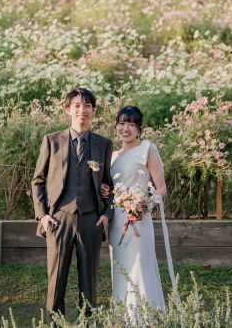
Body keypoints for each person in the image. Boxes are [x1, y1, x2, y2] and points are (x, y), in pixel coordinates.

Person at [31, 87, 115, 327]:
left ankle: (86, 324)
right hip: (59, 219)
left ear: (93, 110)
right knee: (56, 281)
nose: (82, 110)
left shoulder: (103, 144)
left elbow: (109, 183)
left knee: (89, 284)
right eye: (77, 106)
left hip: (91, 220)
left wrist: (107, 214)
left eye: (87, 106)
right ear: (68, 109)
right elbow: (37, 180)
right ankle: (54, 325)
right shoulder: (52, 141)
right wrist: (43, 215)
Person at [101, 105, 176, 315]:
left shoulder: (147, 149)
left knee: (139, 270)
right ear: (116, 126)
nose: (126, 128)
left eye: (131, 124)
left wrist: (143, 208)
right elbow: (111, 188)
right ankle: (123, 317)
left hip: (138, 223)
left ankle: (145, 317)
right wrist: (104, 190)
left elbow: (161, 188)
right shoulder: (112, 156)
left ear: (139, 128)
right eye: (122, 123)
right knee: (121, 270)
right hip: (116, 223)